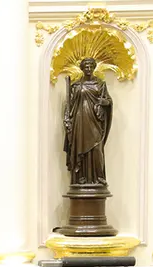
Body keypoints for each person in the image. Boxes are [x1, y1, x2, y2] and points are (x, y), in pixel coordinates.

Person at [63, 56, 113, 185]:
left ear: (95, 67)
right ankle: (81, 177)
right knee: (80, 148)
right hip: (80, 121)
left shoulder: (100, 85)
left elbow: (108, 101)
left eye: (91, 66)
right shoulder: (76, 86)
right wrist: (67, 119)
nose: (89, 69)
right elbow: (70, 105)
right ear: (82, 69)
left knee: (97, 149)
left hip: (95, 121)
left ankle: (98, 177)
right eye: (86, 67)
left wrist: (105, 102)